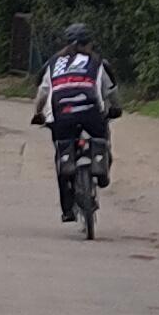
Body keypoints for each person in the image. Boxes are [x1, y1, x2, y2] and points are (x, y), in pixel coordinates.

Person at [32, 23, 119, 209]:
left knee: (63, 154)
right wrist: (116, 108)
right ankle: (102, 170)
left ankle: (67, 208)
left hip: (61, 115)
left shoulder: (53, 63)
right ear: (90, 43)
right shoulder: (98, 62)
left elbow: (42, 93)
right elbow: (111, 91)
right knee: (102, 137)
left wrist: (38, 113)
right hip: (91, 112)